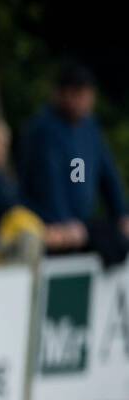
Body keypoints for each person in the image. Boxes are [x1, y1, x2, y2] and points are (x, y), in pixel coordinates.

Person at [19, 62, 129, 265]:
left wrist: (122, 213)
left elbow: (108, 174)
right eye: (82, 96)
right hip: (54, 230)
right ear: (66, 94)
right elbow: (47, 182)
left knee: (116, 243)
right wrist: (63, 222)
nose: (87, 103)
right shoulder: (43, 130)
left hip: (81, 225)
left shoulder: (90, 128)